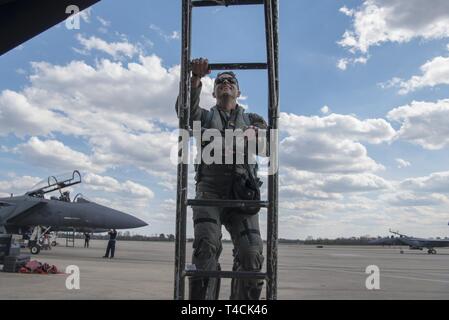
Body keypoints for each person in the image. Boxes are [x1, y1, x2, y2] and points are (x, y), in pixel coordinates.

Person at [176, 58, 268, 300]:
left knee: (252, 254)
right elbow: (184, 114)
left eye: (231, 81)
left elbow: (267, 145)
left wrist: (255, 134)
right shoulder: (204, 118)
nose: (225, 83)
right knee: (205, 247)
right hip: (210, 193)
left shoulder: (253, 120)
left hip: (243, 195)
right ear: (214, 91)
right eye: (220, 82)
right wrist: (195, 79)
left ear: (239, 91)